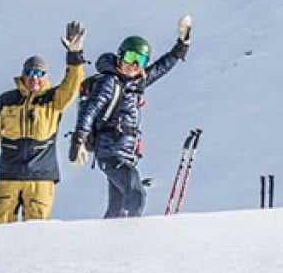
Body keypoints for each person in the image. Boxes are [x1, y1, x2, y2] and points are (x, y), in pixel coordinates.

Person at [69, 15, 191, 218]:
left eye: (140, 61)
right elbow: (91, 108)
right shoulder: (109, 82)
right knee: (136, 194)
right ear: (120, 57)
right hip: (111, 152)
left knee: (117, 206)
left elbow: (161, 68)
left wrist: (181, 46)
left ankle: (107, 242)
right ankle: (131, 241)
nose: (133, 65)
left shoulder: (136, 83)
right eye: (130, 58)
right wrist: (79, 138)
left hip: (125, 153)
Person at [0, 21, 87, 223]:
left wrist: (75, 55)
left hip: (41, 177)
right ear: (23, 75)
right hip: (9, 176)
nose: (35, 78)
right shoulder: (6, 102)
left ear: (45, 76)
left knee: (37, 231)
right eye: (31, 73)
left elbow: (72, 85)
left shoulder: (53, 100)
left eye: (40, 73)